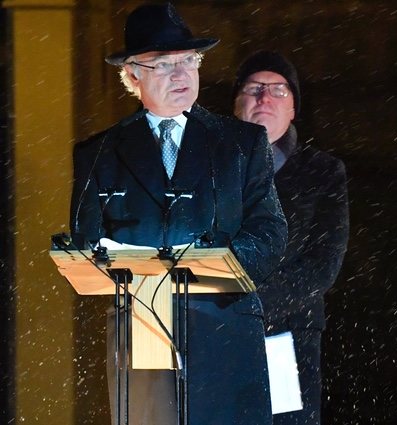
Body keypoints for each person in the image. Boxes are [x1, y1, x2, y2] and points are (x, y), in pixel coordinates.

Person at [69, 3, 286, 424]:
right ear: (133, 75)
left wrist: (212, 262)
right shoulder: (99, 153)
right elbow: (84, 243)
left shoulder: (241, 143)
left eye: (189, 61)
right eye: (164, 65)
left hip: (225, 328)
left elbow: (270, 231)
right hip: (143, 335)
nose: (181, 75)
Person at [232, 50, 349, 425]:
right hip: (212, 336)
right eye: (254, 89)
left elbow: (322, 265)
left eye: (278, 90)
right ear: (236, 103)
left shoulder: (323, 172)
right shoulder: (211, 168)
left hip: (288, 336)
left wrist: (248, 306)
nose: (265, 98)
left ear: (294, 107)